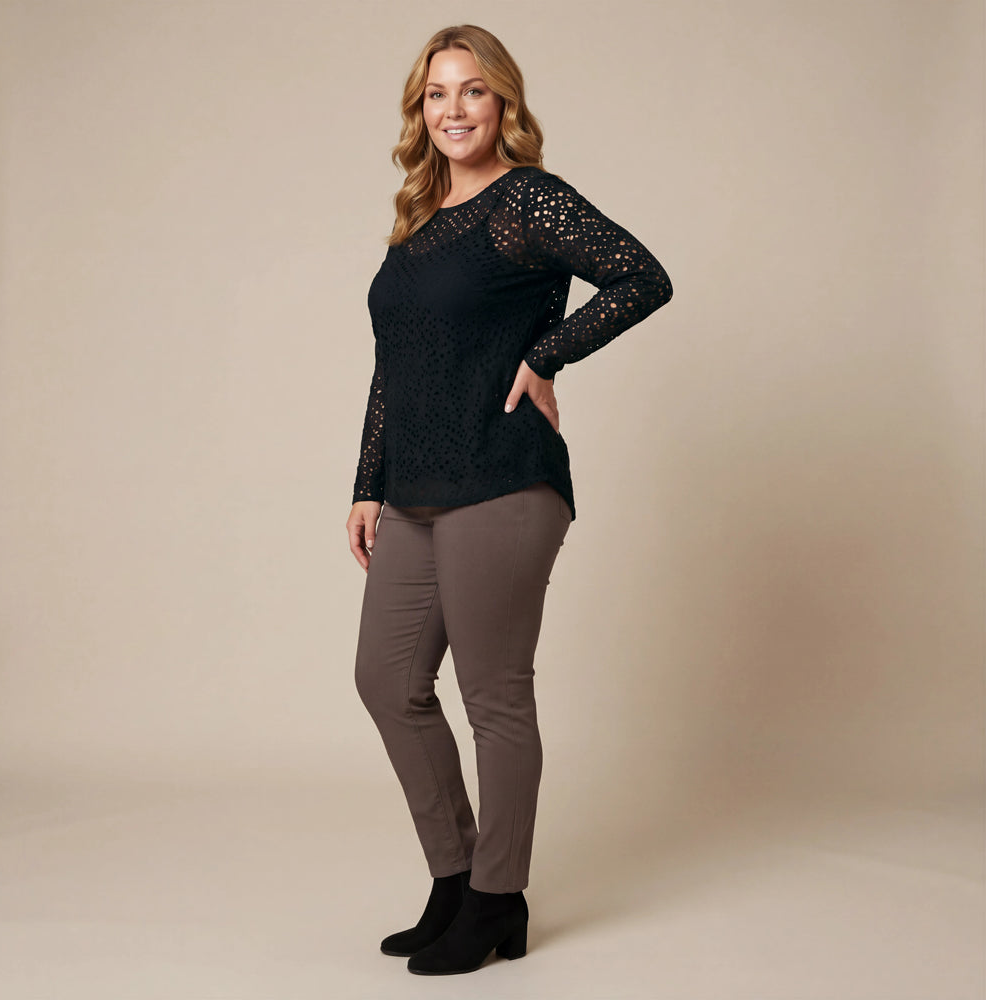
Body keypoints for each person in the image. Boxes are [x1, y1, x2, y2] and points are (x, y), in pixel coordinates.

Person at [347, 24, 672, 977]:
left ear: (504, 105)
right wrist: (367, 485)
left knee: (493, 696)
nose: (454, 110)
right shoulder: (418, 222)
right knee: (386, 682)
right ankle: (457, 880)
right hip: (414, 489)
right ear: (420, 111)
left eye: (473, 91)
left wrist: (546, 355)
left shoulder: (527, 200)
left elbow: (642, 277)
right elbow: (393, 367)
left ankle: (498, 897)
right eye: (437, 94)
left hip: (502, 478)